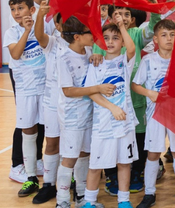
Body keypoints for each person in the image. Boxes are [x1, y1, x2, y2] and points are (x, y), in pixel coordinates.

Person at [132, 20, 175, 208]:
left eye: (172, 34)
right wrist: (150, 93)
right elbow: (135, 85)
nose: (169, 39)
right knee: (153, 154)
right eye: (164, 35)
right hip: (155, 115)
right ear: (155, 39)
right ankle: (150, 193)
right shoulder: (148, 60)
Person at [82, 20, 139, 208]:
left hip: (124, 123)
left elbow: (132, 50)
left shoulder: (124, 62)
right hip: (103, 123)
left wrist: (122, 26)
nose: (111, 42)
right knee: (96, 165)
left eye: (116, 38)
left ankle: (124, 201)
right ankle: (89, 202)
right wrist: (112, 107)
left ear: (122, 41)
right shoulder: (96, 64)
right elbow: (92, 92)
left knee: (124, 163)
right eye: (106, 38)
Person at [55, 18, 105, 208]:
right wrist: (96, 88)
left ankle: (82, 195)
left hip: (90, 113)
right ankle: (62, 201)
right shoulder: (64, 58)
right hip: (72, 116)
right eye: (89, 32)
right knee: (70, 157)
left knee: (84, 154)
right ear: (77, 37)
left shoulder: (91, 52)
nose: (93, 35)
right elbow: (68, 91)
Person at [5, 0, 48, 197]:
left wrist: (35, 27)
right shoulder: (11, 32)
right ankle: (30, 177)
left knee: (53, 131)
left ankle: (52, 177)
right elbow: (15, 54)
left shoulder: (43, 26)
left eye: (20, 8)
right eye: (13, 9)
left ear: (32, 9)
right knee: (28, 131)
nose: (16, 13)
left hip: (46, 88)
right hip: (26, 91)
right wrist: (26, 31)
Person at [32, 2, 65, 204]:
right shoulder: (52, 41)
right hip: (52, 101)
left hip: (75, 102)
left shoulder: (85, 45)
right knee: (51, 143)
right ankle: (48, 184)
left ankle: (69, 183)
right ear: (58, 24)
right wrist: (40, 15)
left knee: (74, 145)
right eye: (65, 22)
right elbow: (39, 36)